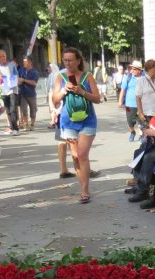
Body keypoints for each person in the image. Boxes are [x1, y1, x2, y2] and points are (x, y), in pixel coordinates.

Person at [51, 47, 101, 204]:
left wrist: (82, 92)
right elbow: (54, 100)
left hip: (87, 120)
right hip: (68, 121)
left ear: (78, 61)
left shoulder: (88, 76)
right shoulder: (61, 77)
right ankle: (83, 186)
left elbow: (97, 99)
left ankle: (85, 191)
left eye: (70, 60)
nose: (67, 63)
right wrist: (64, 91)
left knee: (82, 155)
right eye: (65, 60)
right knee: (75, 156)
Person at [0, 49, 20, 136]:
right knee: (8, 110)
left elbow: (16, 75)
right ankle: (12, 127)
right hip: (3, 90)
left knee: (13, 109)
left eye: (3, 56)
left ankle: (16, 128)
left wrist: (14, 81)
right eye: (0, 57)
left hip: (12, 88)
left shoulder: (11, 65)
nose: (2, 58)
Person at [118, 60, 142, 142]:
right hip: (129, 104)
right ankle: (132, 132)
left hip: (141, 105)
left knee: (141, 121)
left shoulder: (144, 78)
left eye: (135, 69)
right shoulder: (128, 77)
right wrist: (120, 100)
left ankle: (141, 136)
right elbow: (123, 90)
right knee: (130, 122)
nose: (133, 70)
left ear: (139, 70)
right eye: (132, 68)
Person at [18, 56, 39, 131]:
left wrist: (24, 80)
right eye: (23, 62)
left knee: (33, 110)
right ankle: (26, 124)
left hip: (31, 94)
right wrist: (18, 81)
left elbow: (34, 83)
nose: (24, 63)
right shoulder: (21, 70)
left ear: (30, 62)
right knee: (23, 110)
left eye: (25, 62)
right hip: (22, 93)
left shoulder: (34, 72)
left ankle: (32, 124)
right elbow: (17, 79)